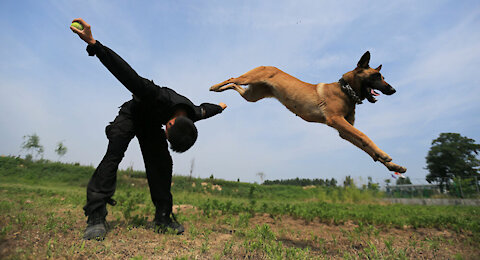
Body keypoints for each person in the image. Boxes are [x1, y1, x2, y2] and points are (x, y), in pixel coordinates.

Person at [70, 18, 227, 240]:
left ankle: (163, 217)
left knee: (162, 162)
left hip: (148, 123)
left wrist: (221, 107)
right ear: (170, 123)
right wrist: (94, 44)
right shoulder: (154, 94)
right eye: (168, 133)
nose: (166, 132)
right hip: (132, 114)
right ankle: (96, 215)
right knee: (114, 153)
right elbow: (126, 73)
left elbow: (205, 109)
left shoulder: (191, 115)